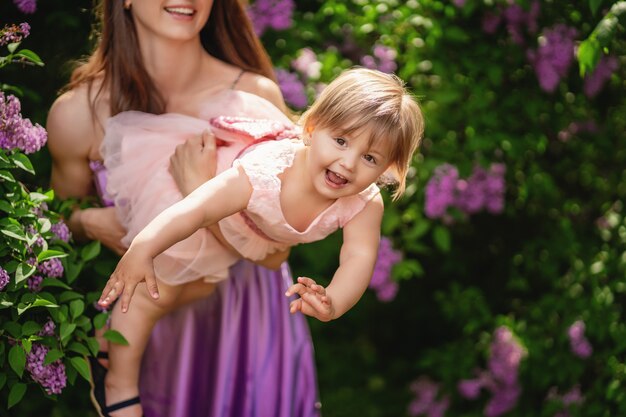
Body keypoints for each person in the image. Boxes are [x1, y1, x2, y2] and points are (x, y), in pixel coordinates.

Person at [97, 67, 424, 416]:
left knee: (201, 287)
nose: (348, 163)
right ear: (312, 129)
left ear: (387, 169)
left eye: (370, 158)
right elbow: (197, 210)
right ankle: (119, 380)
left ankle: (107, 340)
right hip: (200, 190)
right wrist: (144, 247)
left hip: (249, 233)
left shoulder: (363, 202)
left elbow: (359, 257)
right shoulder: (266, 173)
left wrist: (334, 301)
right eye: (341, 141)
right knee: (159, 290)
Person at [46, 0, 320, 416]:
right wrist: (90, 222)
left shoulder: (252, 97)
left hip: (247, 324)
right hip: (151, 323)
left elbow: (278, 250)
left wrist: (201, 189)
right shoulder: (77, 115)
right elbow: (54, 222)